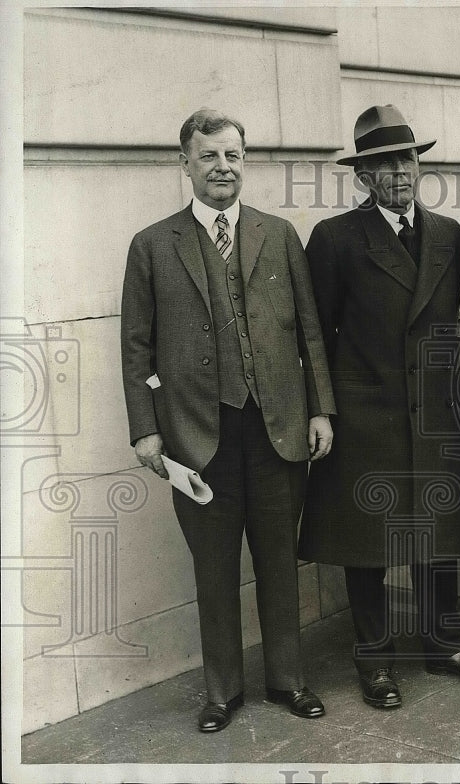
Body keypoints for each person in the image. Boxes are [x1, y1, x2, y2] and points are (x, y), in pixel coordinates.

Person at [121, 109, 335, 731]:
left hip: (277, 429)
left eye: (233, 156)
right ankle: (221, 692)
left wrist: (320, 409)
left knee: (277, 561)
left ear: (246, 161)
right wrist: (145, 429)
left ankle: (288, 679)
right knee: (213, 568)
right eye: (209, 156)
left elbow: (311, 334)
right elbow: (137, 346)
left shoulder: (279, 234)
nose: (222, 168)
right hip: (196, 435)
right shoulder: (153, 245)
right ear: (184, 162)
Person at [297, 105, 460, 710]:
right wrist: (325, 410)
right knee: (369, 544)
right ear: (363, 176)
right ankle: (375, 661)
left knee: (437, 536)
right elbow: (315, 334)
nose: (398, 172)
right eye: (383, 163)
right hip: (368, 413)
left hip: (435, 412)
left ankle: (443, 646)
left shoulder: (449, 234)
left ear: (420, 165)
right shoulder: (335, 239)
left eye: (407, 159)